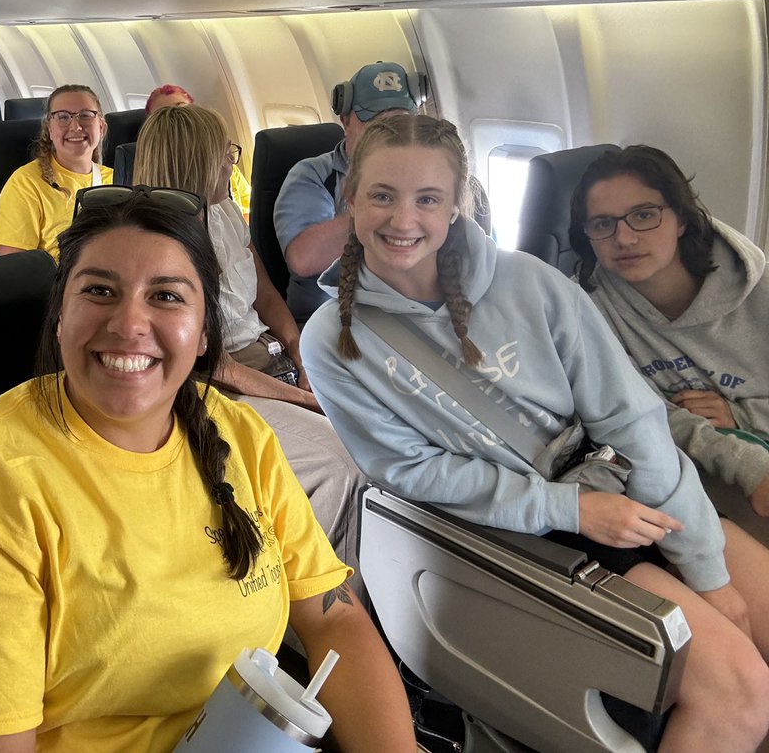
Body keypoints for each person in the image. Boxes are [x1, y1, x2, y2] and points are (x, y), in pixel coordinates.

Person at [0, 189, 415, 752]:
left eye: (166, 296)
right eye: (99, 290)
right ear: (60, 316)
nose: (129, 323)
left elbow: (335, 623)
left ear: (205, 336)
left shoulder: (239, 436)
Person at [302, 113, 769, 751]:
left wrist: (706, 566)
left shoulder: (531, 284)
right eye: (382, 195)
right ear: (350, 202)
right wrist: (573, 508)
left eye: (428, 198)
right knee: (744, 695)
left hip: (618, 483)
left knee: (750, 604)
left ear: (456, 207)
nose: (402, 219)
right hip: (519, 526)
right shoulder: (334, 342)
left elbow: (631, 420)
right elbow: (412, 471)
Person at [134, 103, 366, 576]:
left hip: (268, 359)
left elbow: (261, 288)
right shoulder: (160, 244)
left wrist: (299, 347)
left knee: (378, 420)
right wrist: (301, 397)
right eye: (225, 154)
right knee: (342, 467)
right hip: (217, 386)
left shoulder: (222, 213)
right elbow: (212, 364)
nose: (233, 163)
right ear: (197, 161)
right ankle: (306, 605)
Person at [571, 145, 769, 517]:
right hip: (697, 472)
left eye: (643, 215)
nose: (624, 239)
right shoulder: (587, 308)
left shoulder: (760, 293)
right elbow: (646, 415)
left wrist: (743, 417)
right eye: (602, 223)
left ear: (681, 218)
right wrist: (750, 465)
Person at [274, 62, 421, 322]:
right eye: (376, 126)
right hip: (327, 321)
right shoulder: (314, 174)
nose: (389, 138)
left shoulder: (427, 176)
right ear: (345, 122)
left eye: (400, 125)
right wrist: (384, 202)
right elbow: (304, 259)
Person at [0, 83, 113, 260]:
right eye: (63, 117)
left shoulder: (118, 179)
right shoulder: (26, 183)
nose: (76, 126)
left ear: (101, 127)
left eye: (85, 115)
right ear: (50, 128)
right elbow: (13, 271)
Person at [145, 83, 251, 218]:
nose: (178, 123)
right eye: (164, 116)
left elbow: (247, 212)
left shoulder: (226, 207)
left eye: (182, 109)